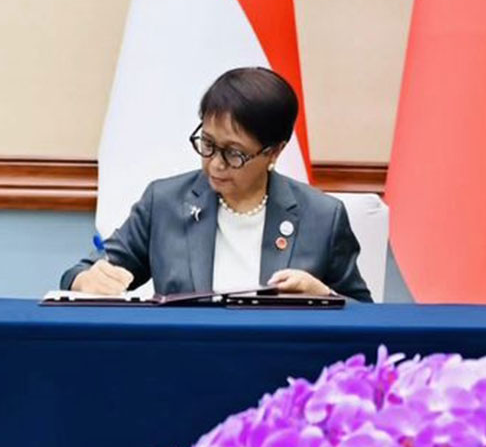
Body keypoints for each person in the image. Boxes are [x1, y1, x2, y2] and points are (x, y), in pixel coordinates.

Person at [61, 67, 371, 302]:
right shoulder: (164, 202)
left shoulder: (322, 216)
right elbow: (80, 273)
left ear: (274, 151)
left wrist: (325, 297)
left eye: (234, 153)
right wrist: (86, 281)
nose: (215, 164)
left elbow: (368, 318)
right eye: (208, 144)